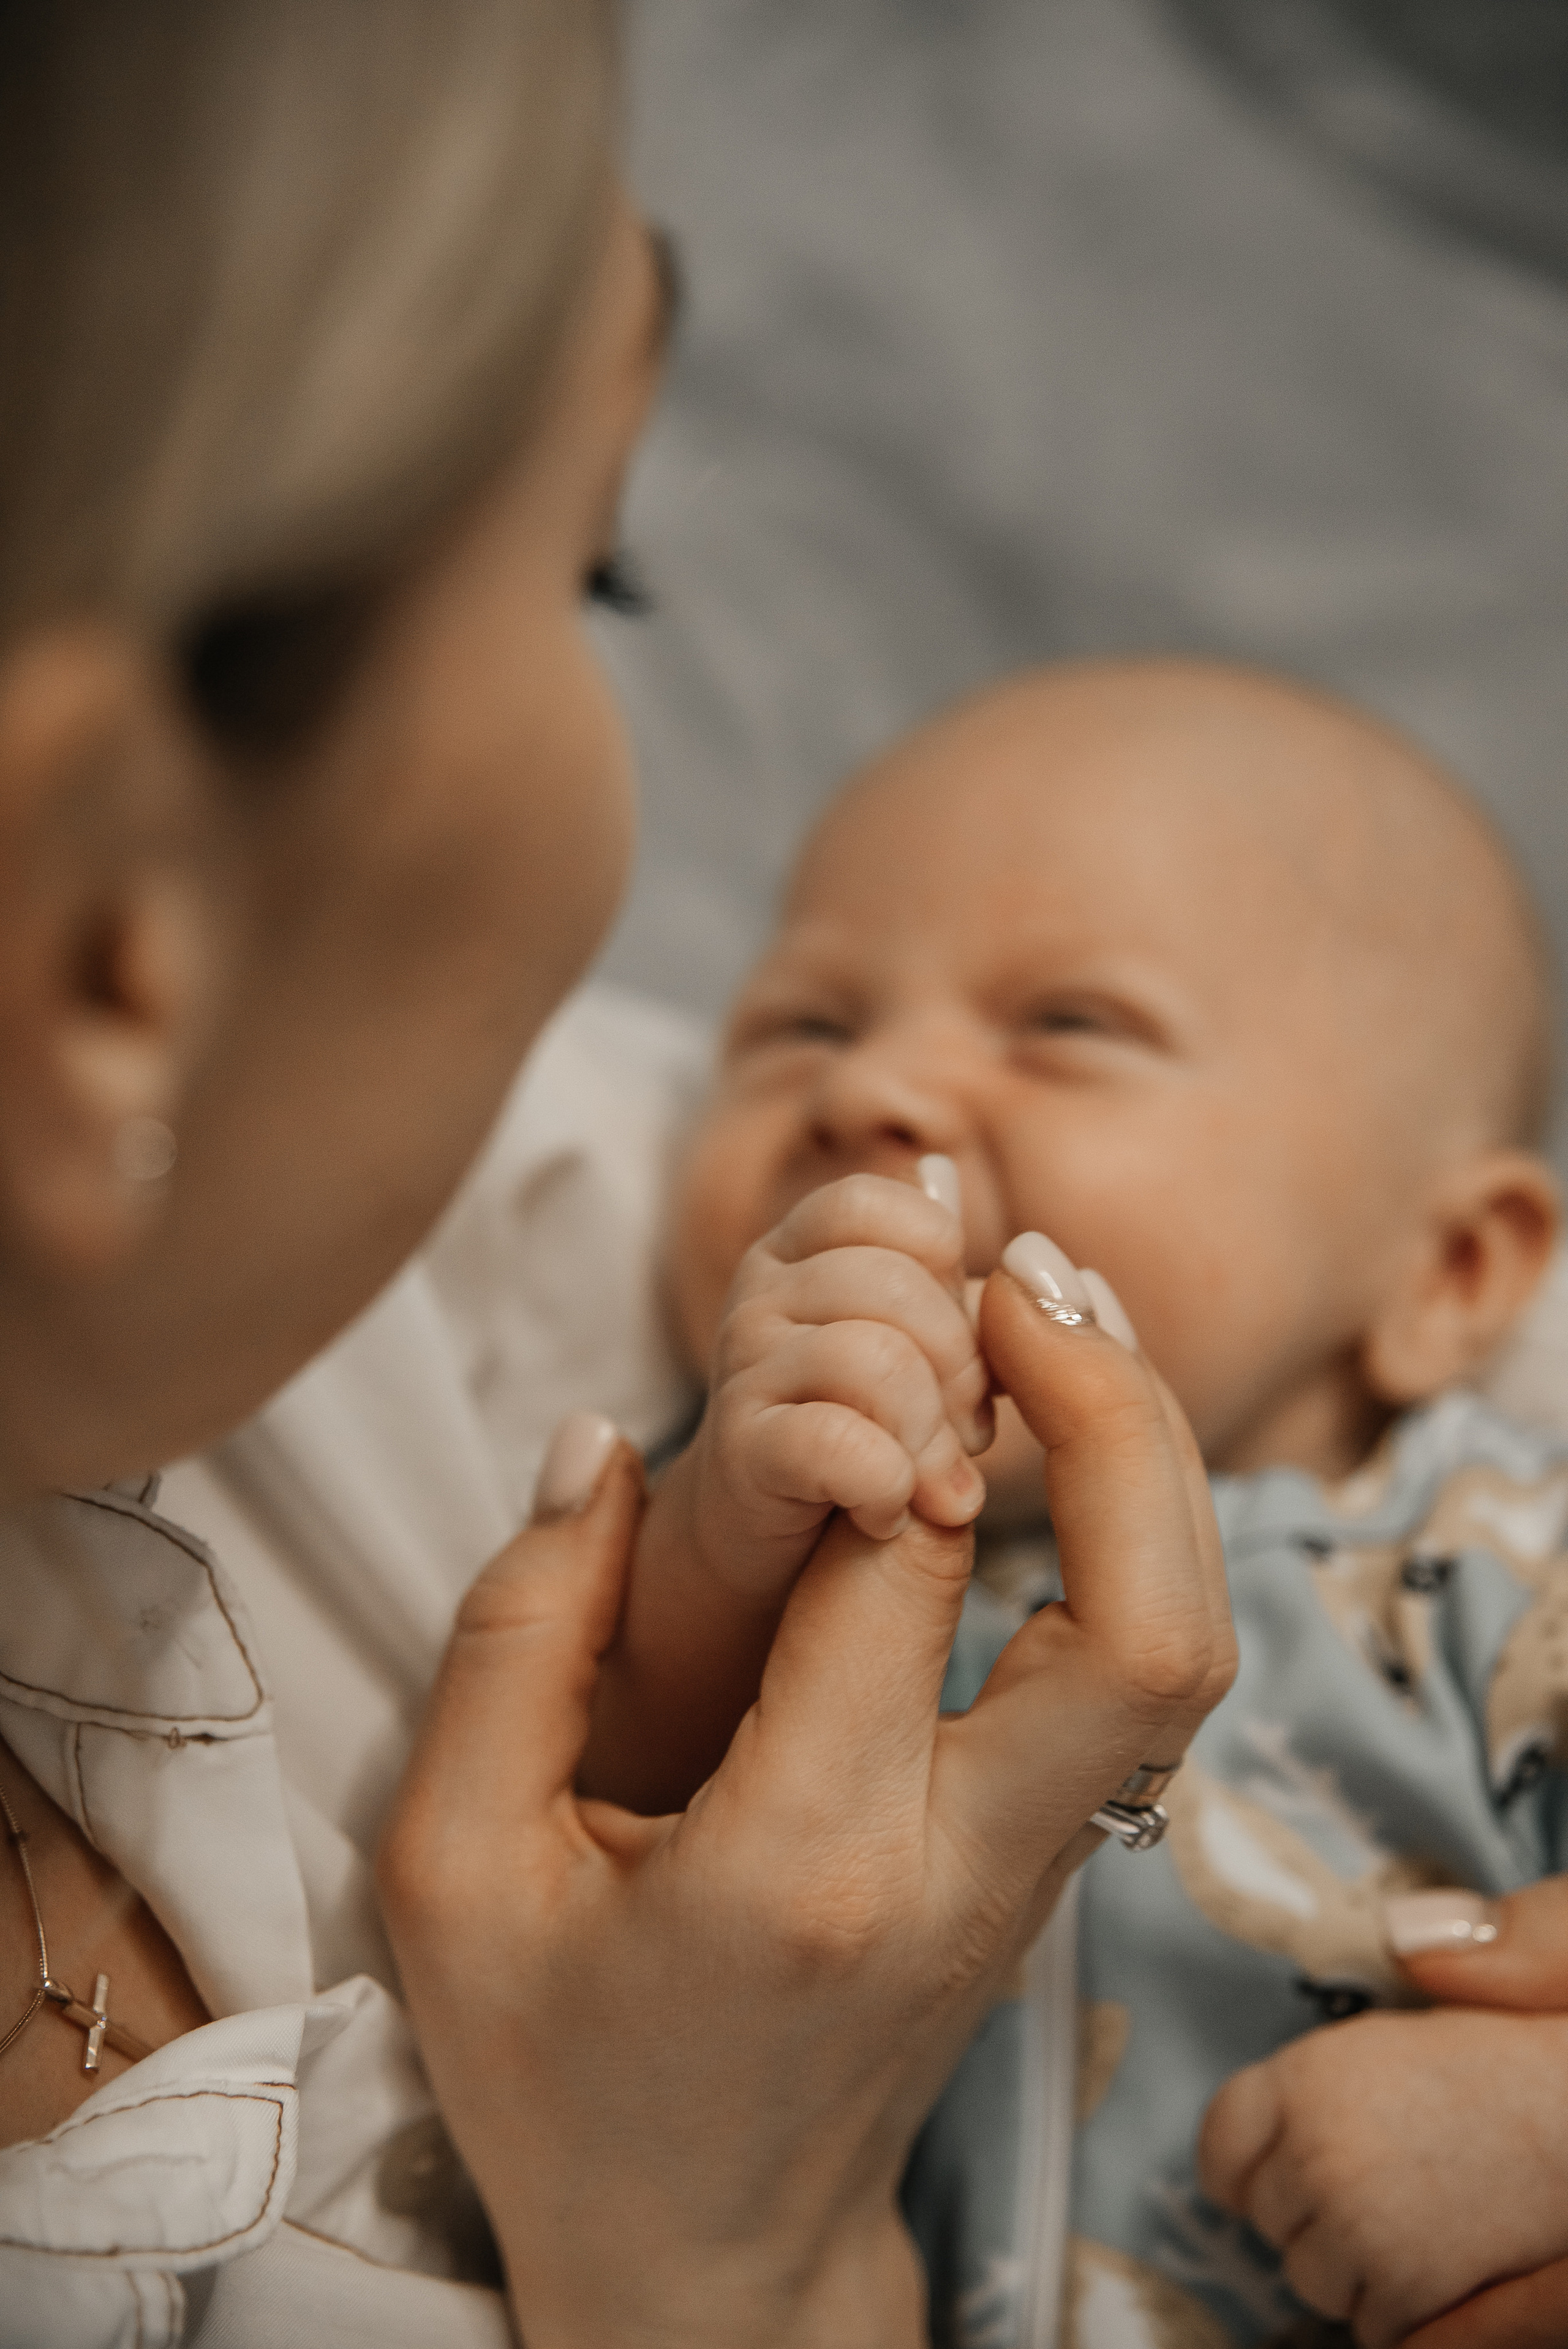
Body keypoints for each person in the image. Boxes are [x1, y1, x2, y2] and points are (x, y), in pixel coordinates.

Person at [0, 8, 1233, 2343]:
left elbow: (1369, 1137)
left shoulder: (531, 1176)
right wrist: (723, 2263)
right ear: (107, 956)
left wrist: (697, 1585)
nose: (877, 1098)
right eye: (594, 571)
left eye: (614, 571)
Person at [575, 657, 1568, 2345]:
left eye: (1069, 1027)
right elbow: (593, 1866)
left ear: (1449, 1271)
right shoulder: (743, 1554)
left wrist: (1540, 2119)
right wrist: (714, 1555)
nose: (867, 1092)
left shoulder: (1504, 1564)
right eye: (803, 1025)